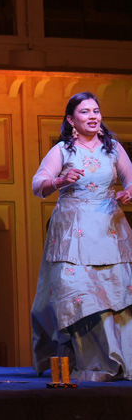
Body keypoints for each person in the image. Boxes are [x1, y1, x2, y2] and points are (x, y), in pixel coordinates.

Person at [30, 92, 132, 382]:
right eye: (85, 111)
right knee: (74, 292)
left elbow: (130, 178)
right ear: (71, 119)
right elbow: (38, 185)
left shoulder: (113, 150)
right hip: (72, 231)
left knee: (115, 295)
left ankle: (114, 360)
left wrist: (127, 192)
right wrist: (59, 181)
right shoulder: (62, 150)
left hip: (108, 229)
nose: (92, 116)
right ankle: (76, 359)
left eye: (96, 111)